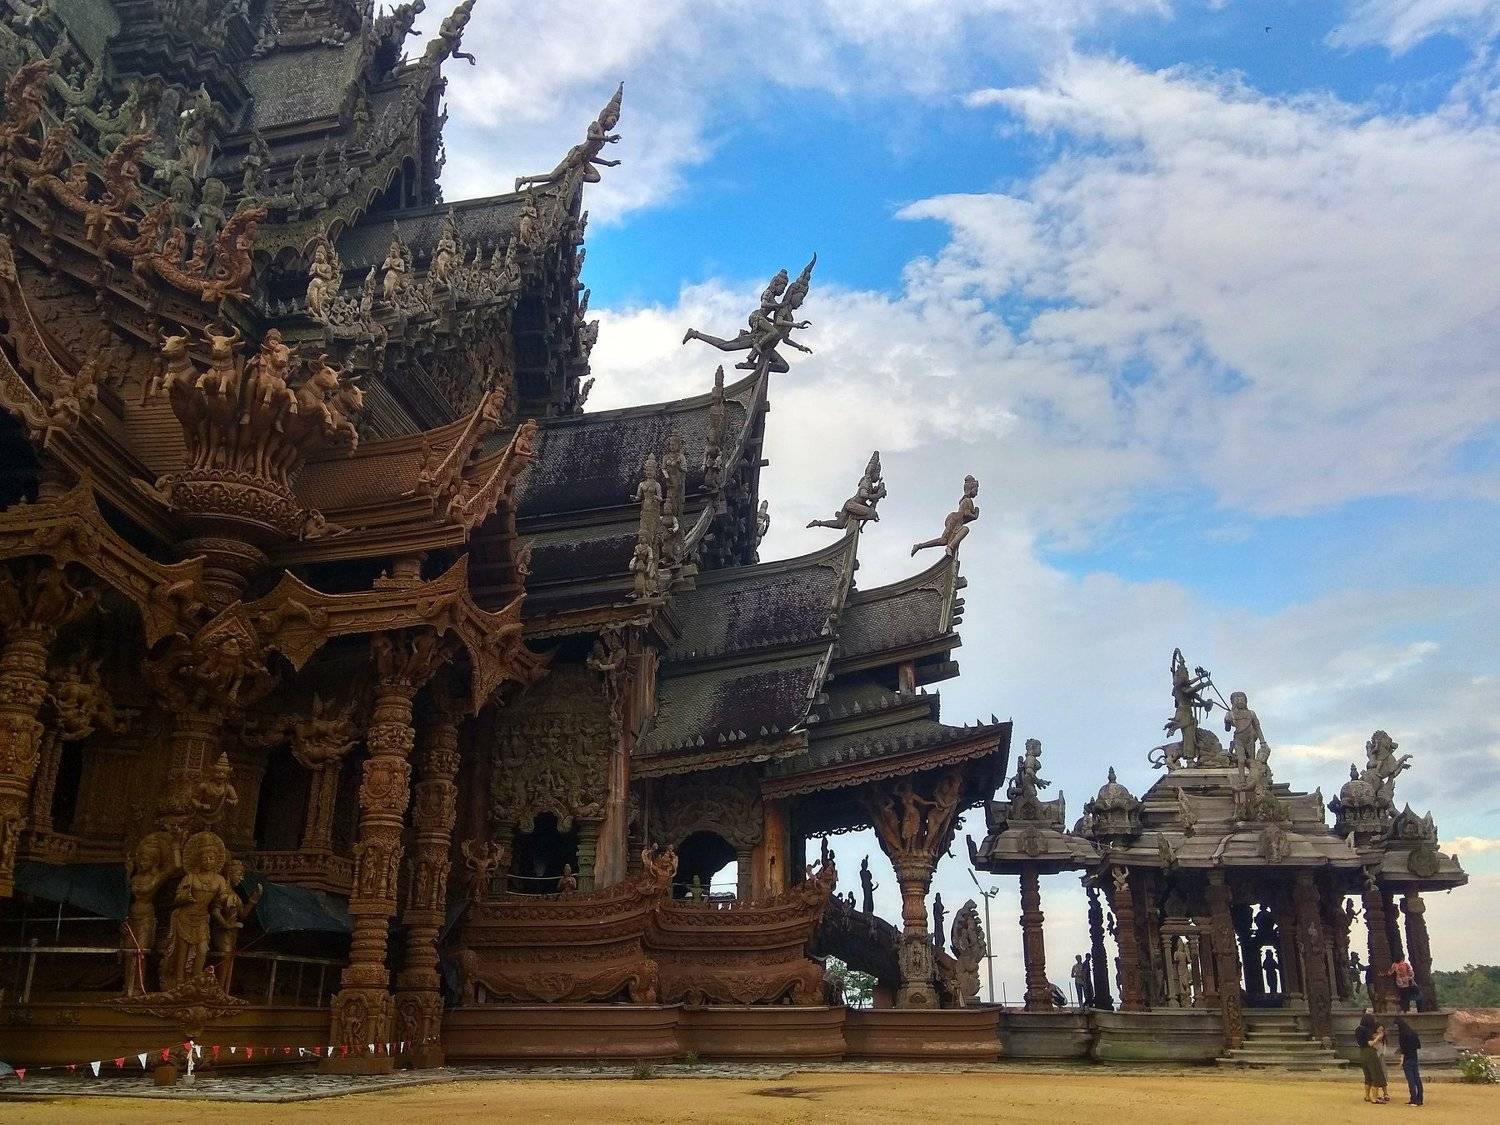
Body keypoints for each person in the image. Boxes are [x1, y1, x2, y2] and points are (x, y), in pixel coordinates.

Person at [1356, 1011, 1390, 1104]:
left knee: (1367, 1076)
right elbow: (1370, 1043)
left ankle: (1367, 1096)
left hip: (1362, 1052)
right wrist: (1378, 1037)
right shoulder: (1367, 1030)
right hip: (1370, 1052)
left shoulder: (1358, 1029)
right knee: (1376, 1074)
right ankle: (1374, 1098)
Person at [1395, 1016, 1423, 1106]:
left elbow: (1403, 1049)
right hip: (1414, 1056)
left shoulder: (1402, 1034)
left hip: (1407, 1058)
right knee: (1417, 1078)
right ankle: (1419, 1098)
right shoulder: (1413, 1033)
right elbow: (1418, 1046)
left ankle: (1414, 1099)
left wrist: (1401, 1060)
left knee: (1411, 1080)